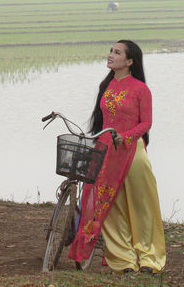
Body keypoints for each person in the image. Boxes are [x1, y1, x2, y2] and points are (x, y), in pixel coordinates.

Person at [68, 40, 166, 274]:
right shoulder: (106, 85)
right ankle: (123, 260)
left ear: (130, 61)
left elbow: (146, 122)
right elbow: (100, 121)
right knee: (109, 206)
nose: (110, 55)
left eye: (117, 52)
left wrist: (127, 136)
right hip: (107, 150)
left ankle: (149, 258)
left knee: (142, 205)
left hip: (133, 150)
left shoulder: (141, 89)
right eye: (111, 51)